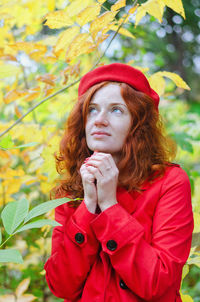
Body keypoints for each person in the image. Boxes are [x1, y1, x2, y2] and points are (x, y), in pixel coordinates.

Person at [44, 63, 194, 302]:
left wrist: (110, 207)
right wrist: (89, 205)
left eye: (116, 110)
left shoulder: (169, 182)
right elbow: (61, 286)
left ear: (138, 124)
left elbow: (158, 283)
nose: (99, 120)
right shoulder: (71, 188)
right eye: (92, 109)